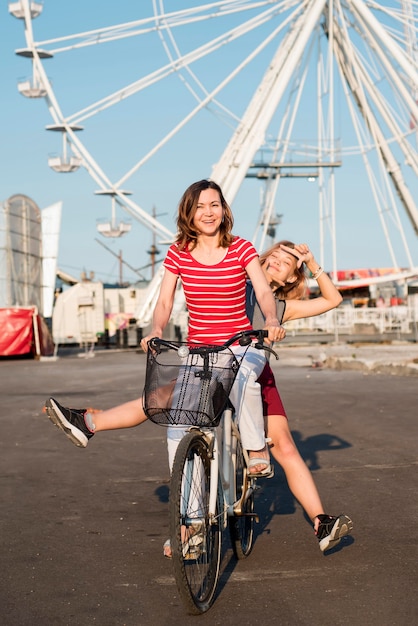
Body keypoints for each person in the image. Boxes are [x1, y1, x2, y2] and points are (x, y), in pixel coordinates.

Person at [246, 240, 353, 552]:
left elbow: (333, 299)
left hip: (256, 373)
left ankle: (322, 522)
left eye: (288, 261)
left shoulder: (282, 308)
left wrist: (312, 263)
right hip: (216, 364)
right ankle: (188, 529)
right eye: (275, 254)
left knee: (286, 447)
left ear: (291, 278)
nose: (278, 259)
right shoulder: (235, 281)